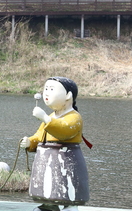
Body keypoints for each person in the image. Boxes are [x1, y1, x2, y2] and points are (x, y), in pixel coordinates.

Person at [20, 77, 89, 211]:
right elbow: (40, 136)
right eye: (46, 89)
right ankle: (49, 206)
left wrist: (45, 118)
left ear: (68, 95)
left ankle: (69, 206)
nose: (46, 93)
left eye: (51, 89)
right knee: (48, 187)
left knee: (66, 185)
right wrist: (30, 142)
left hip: (67, 160)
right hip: (46, 160)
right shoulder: (51, 116)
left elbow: (64, 131)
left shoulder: (74, 117)